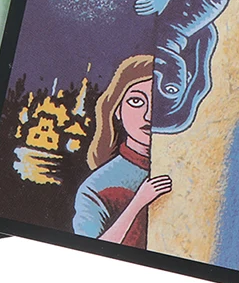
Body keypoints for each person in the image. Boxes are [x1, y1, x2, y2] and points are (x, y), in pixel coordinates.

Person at [72, 55, 172, 247]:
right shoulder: (96, 187)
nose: (149, 115)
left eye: (159, 102)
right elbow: (89, 251)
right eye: (136, 101)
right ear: (117, 109)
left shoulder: (186, 171)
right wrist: (139, 202)